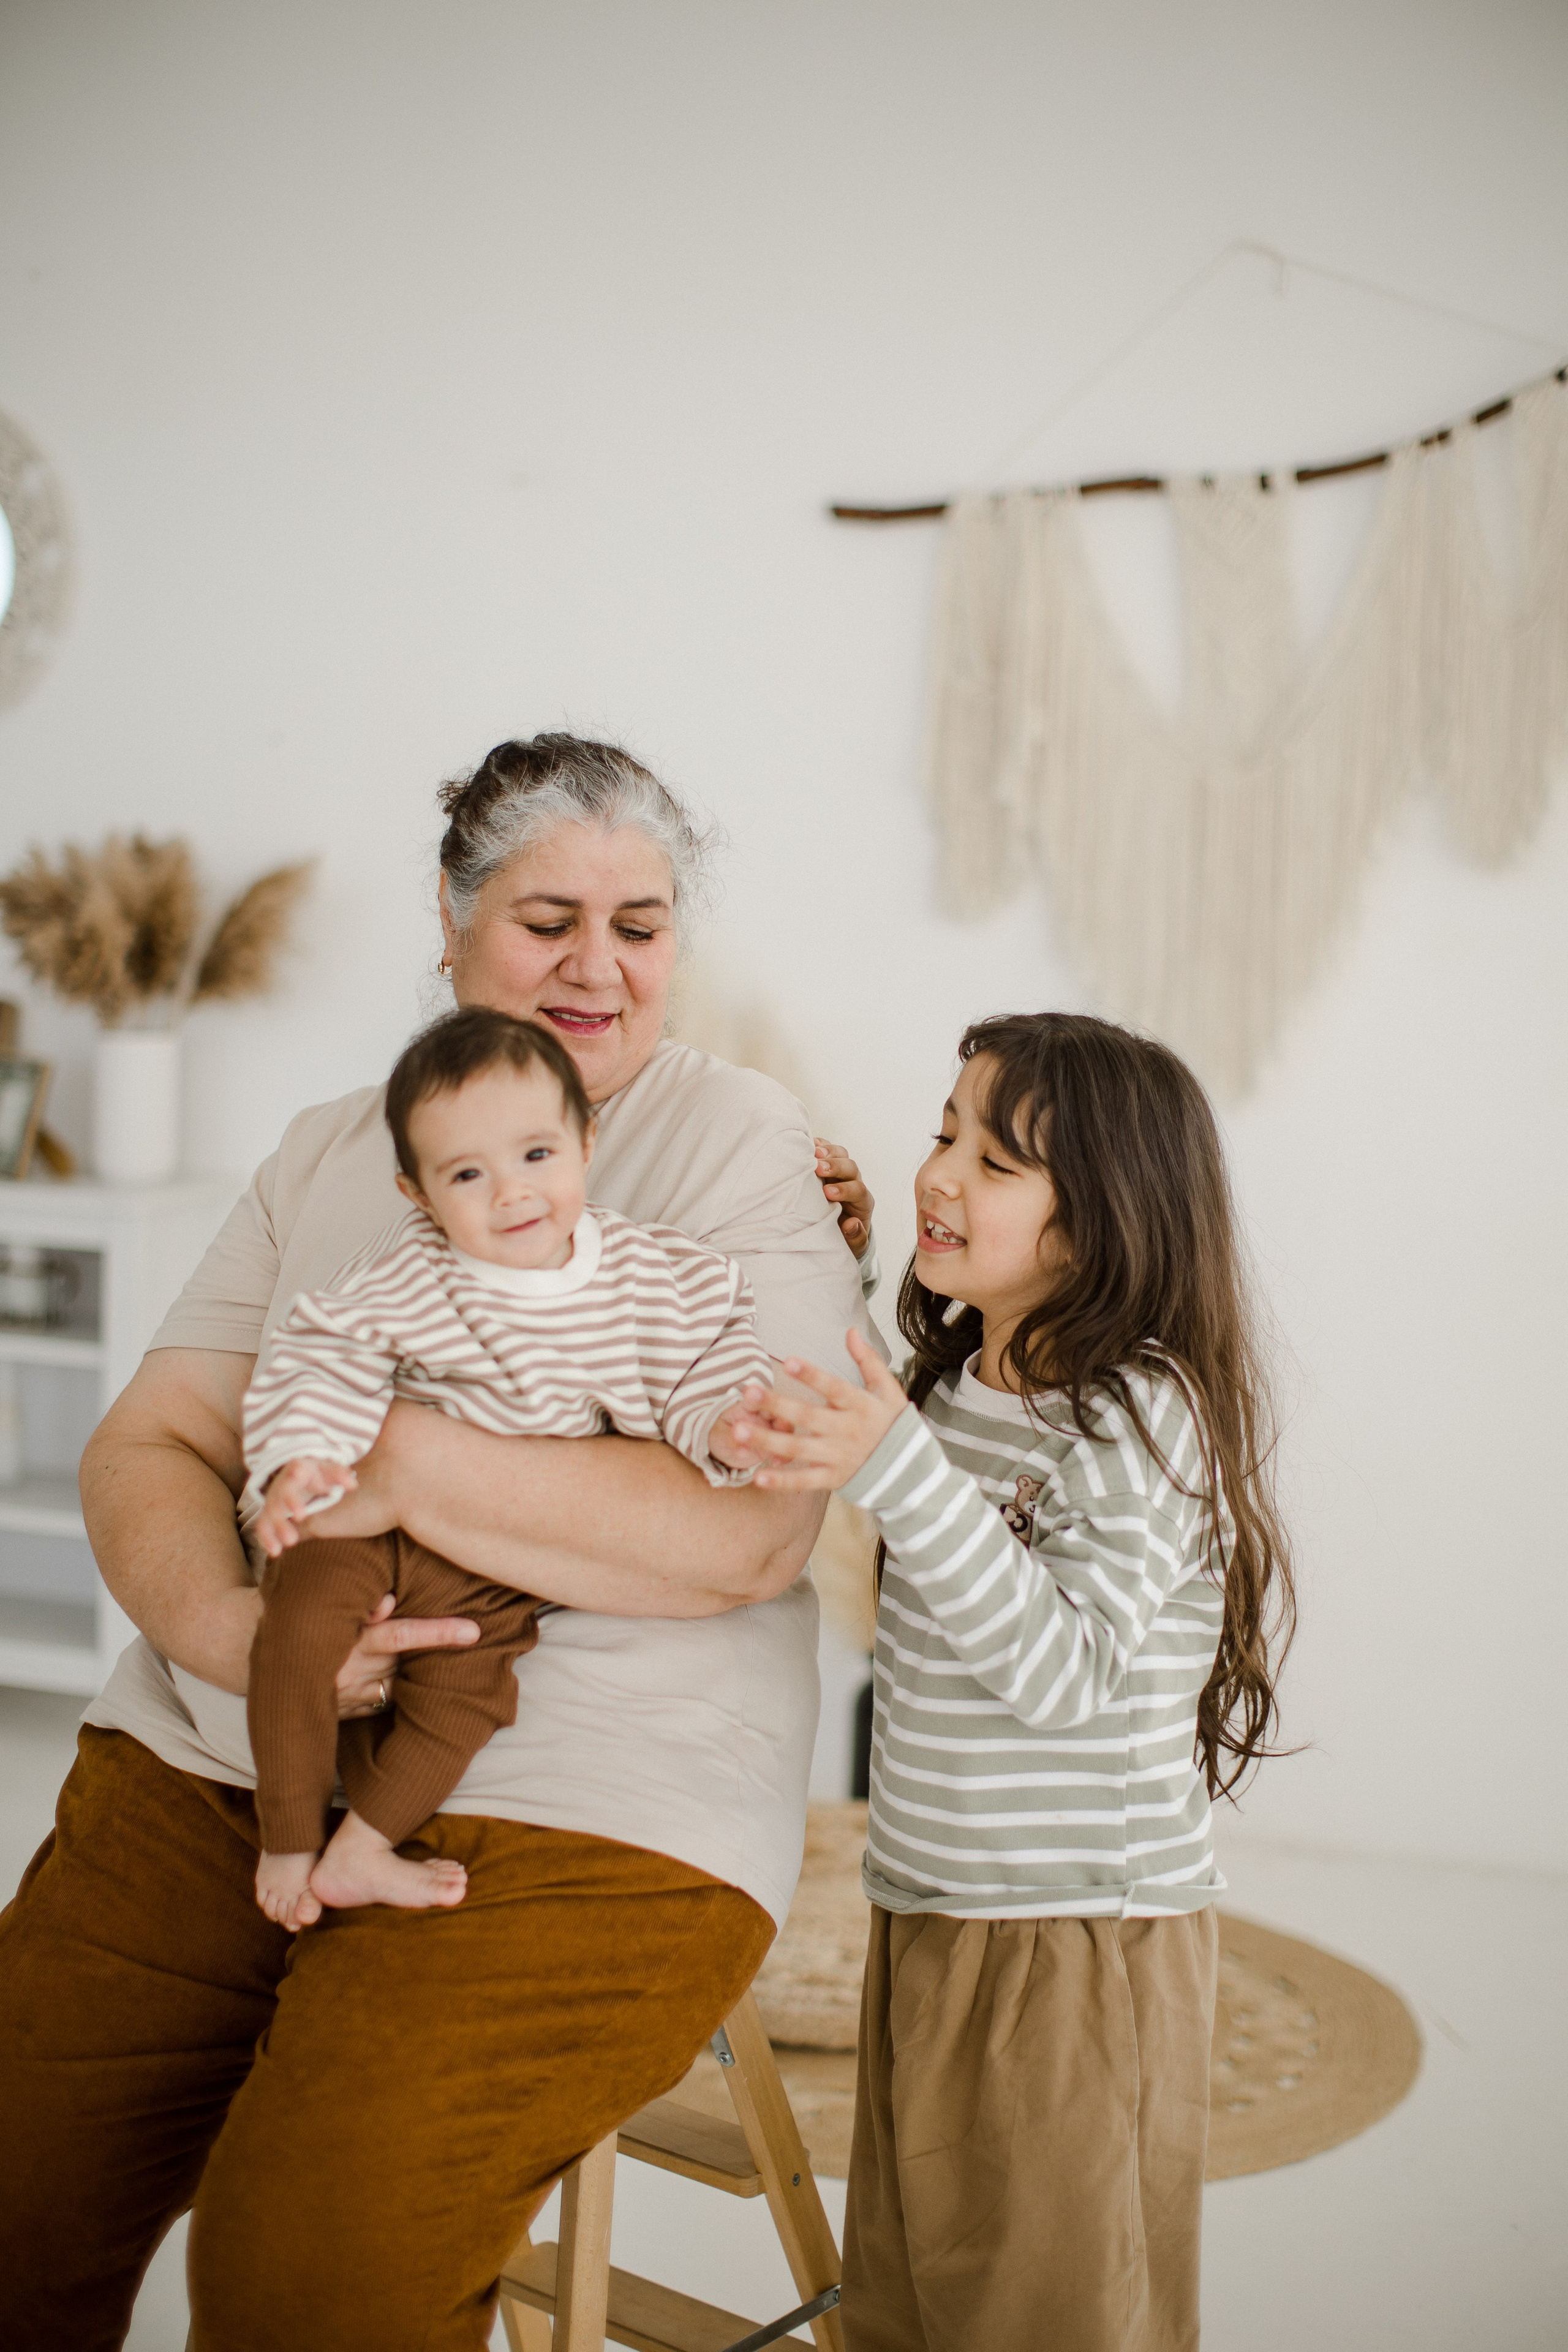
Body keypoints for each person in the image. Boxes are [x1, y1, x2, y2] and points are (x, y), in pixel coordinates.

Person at [0, 733, 878, 2352]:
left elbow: (751, 1538)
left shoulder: (745, 1147)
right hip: (216, 1754)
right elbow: (153, 1440)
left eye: (643, 924)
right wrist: (241, 1638)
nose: (597, 968)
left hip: (582, 1795)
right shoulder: (338, 1145)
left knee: (298, 2278)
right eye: (550, 917)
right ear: (455, 914)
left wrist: (402, 1457)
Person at [729, 1011, 1295, 2352]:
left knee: (1046, 2311)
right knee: (911, 2295)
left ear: (1103, 1222)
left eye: (995, 1161)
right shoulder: (961, 1380)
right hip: (932, 1908)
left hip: (1071, 1946)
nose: (940, 1172)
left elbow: (1070, 1676)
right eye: (942, 1133)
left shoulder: (1138, 1410)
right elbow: (863, 1416)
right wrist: (844, 1253)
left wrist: (894, 1469)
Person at [245, 1003, 776, 1932]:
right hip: (369, 1518)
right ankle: (287, 1836)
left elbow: (704, 1361)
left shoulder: (645, 1278)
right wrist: (303, 1459)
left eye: (537, 1156)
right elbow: (322, 1355)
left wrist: (723, 1426)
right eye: (467, 1174)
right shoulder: (409, 1274)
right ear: (418, 1195)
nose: (512, 1195)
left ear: (585, 1140)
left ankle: (365, 1846)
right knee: (294, 1636)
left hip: (497, 1552)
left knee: (467, 1701)